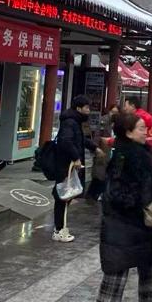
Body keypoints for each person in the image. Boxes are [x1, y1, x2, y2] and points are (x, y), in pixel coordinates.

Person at [92, 112, 152, 302]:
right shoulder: (122, 156)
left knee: (151, 271)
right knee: (116, 276)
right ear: (127, 132)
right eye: (140, 128)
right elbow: (116, 193)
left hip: (143, 225)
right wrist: (141, 203)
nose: (145, 132)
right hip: (122, 225)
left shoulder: (144, 153)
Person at [52, 95, 99, 242]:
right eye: (86, 108)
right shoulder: (70, 122)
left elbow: (79, 139)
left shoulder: (74, 122)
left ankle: (60, 228)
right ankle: (59, 230)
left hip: (68, 165)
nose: (88, 111)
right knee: (62, 195)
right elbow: (66, 141)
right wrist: (76, 157)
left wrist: (94, 147)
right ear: (79, 108)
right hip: (65, 165)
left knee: (65, 194)